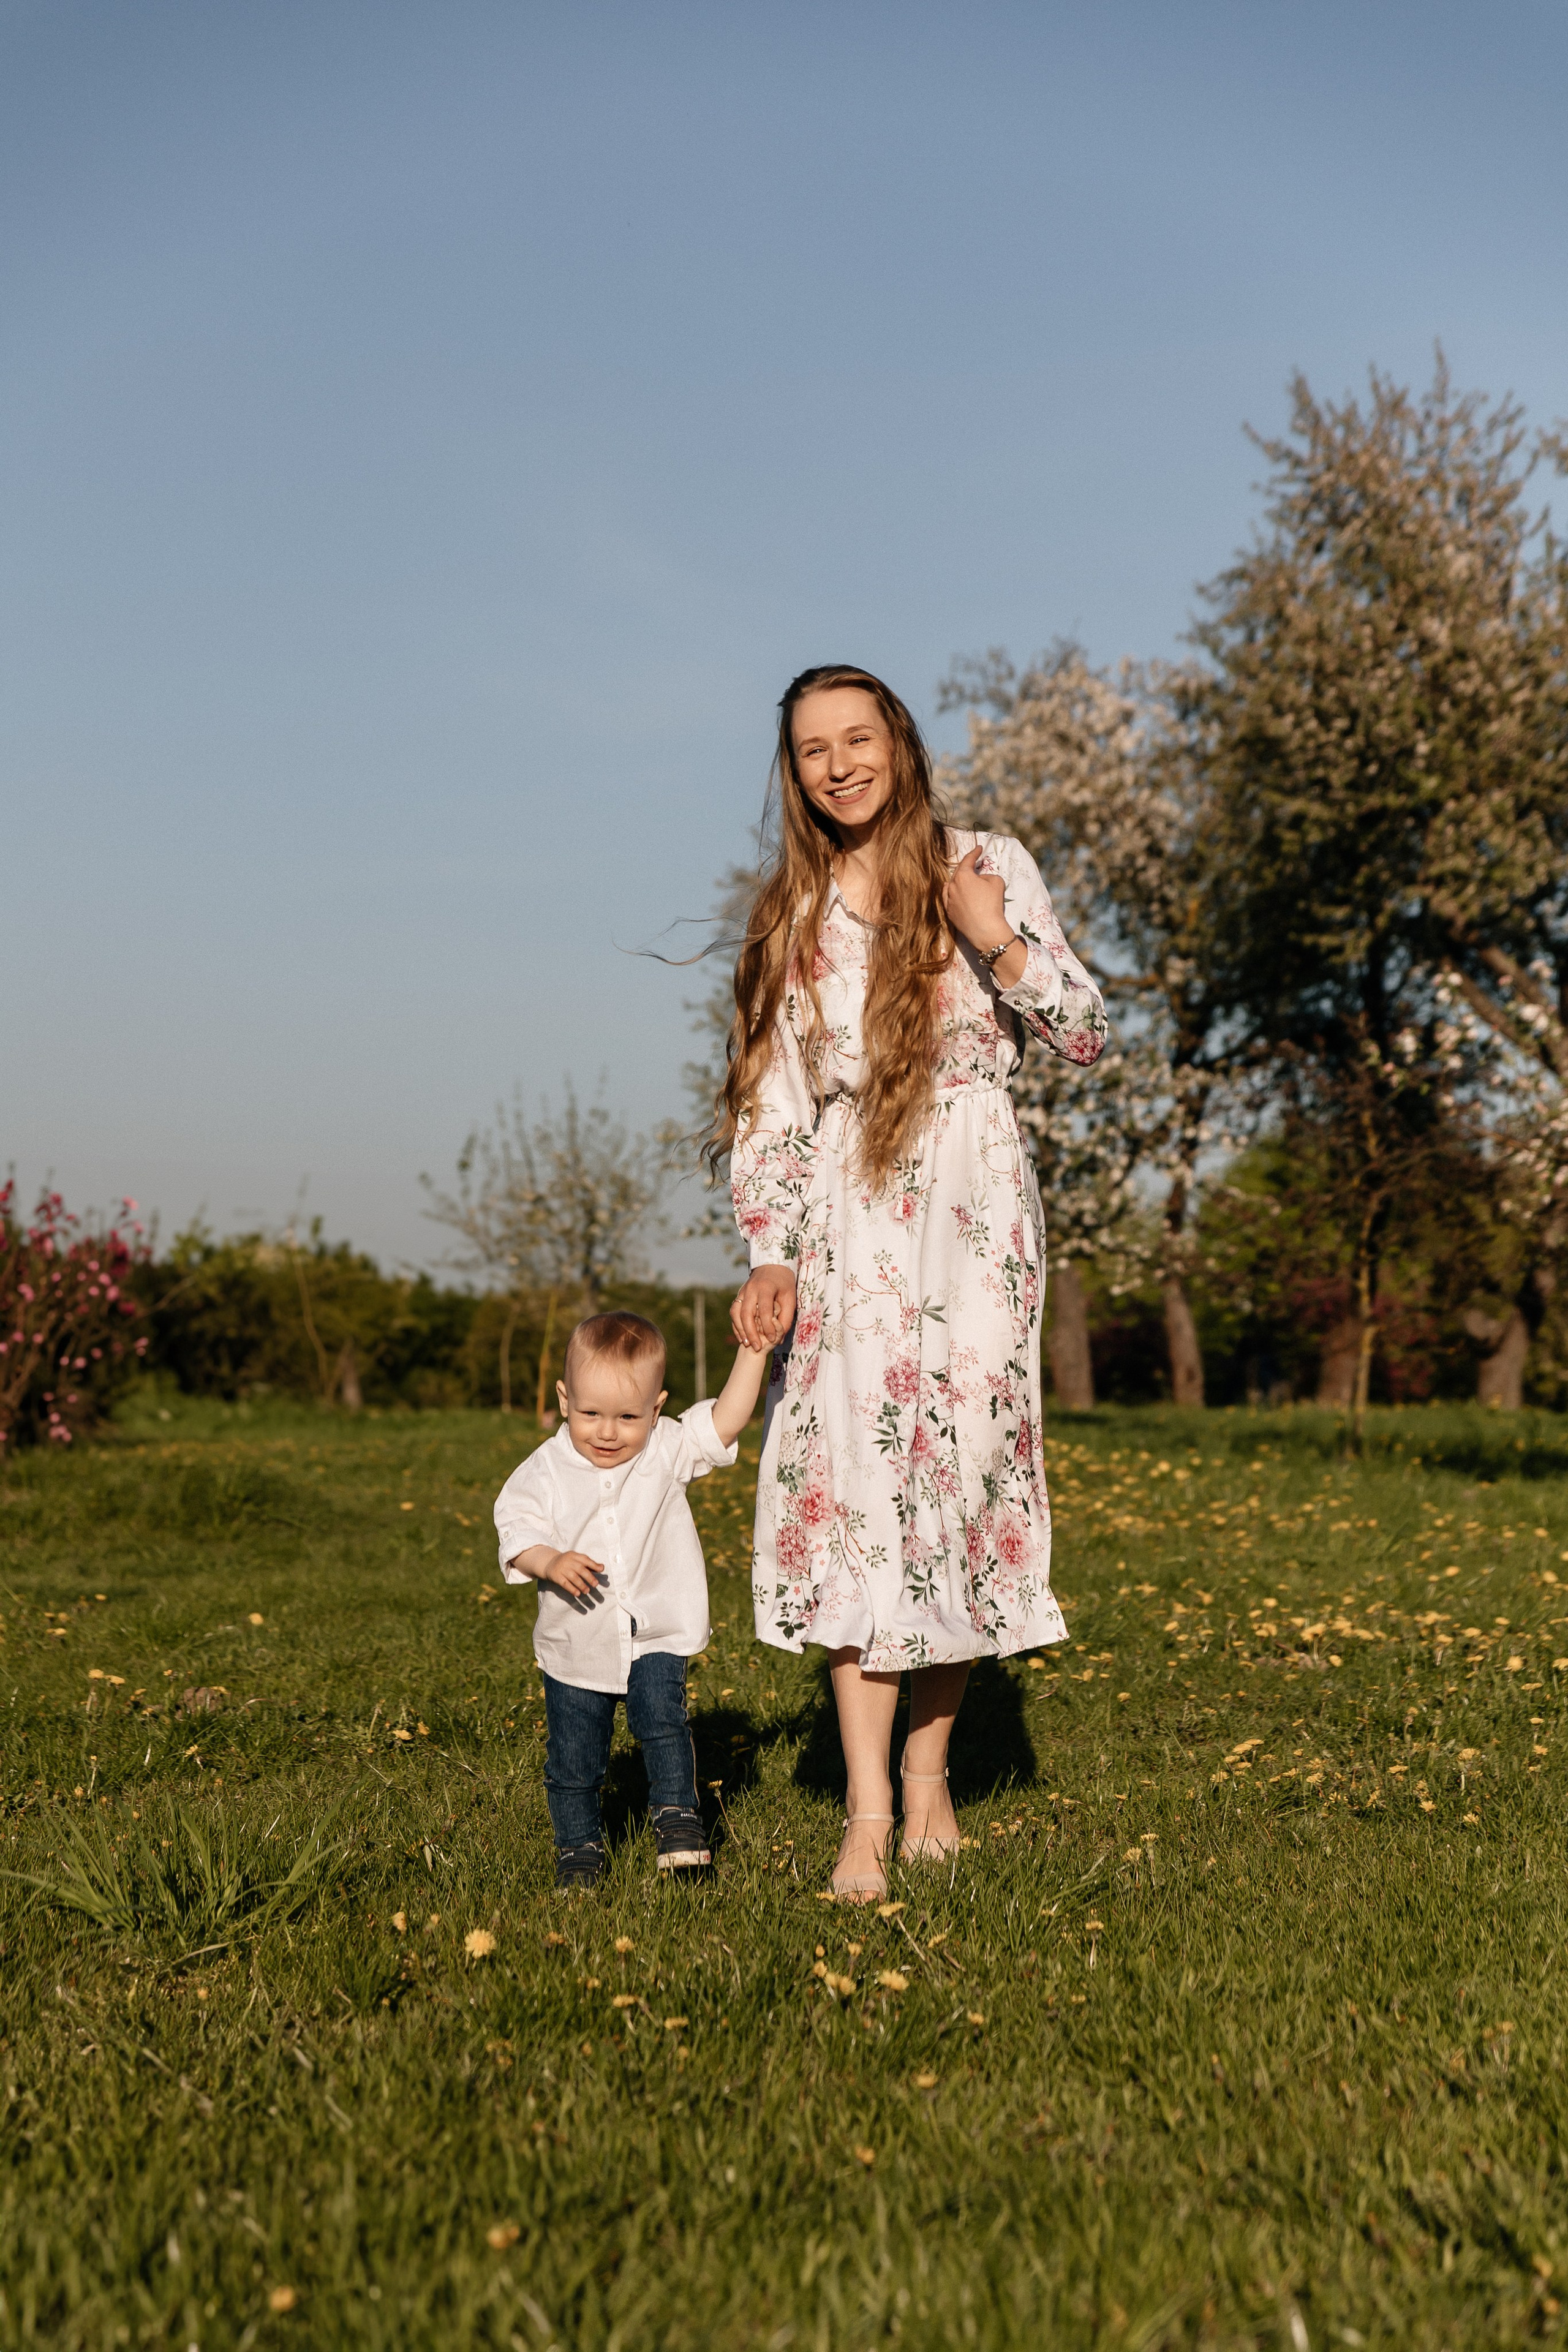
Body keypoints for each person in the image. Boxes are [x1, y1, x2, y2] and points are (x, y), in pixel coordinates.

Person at [717, 665, 1106, 1901]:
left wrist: (990, 933)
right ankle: (868, 1813)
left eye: (856, 738)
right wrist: (770, 1251)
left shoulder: (986, 858)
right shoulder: (792, 913)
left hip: (975, 1209)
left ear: (899, 741)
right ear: (794, 772)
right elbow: (770, 1110)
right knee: (856, 1490)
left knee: (957, 1479)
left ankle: (932, 1782)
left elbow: (1087, 1036)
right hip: (849, 1213)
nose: (837, 764)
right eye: (811, 750)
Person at [494, 1309, 770, 1889]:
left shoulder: (666, 1449)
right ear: (565, 1400)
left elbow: (724, 1422)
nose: (608, 1432)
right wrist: (548, 1560)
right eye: (591, 1414)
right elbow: (514, 1529)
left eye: (628, 1416)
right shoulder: (546, 1468)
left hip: (657, 1630)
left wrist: (754, 1351)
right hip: (577, 1644)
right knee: (573, 1760)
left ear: (657, 1407)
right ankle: (579, 1849)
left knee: (663, 1723)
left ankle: (677, 1820)